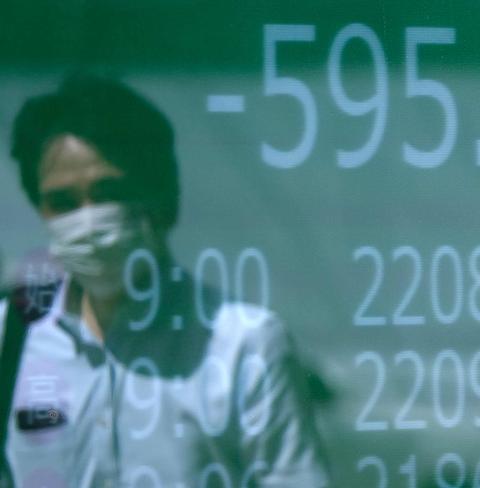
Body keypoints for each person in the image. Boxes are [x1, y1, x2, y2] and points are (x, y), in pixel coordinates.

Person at [0, 75, 330, 487]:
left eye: (108, 193)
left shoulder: (243, 346)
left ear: (164, 203)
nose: (87, 221)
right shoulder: (11, 339)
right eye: (63, 203)